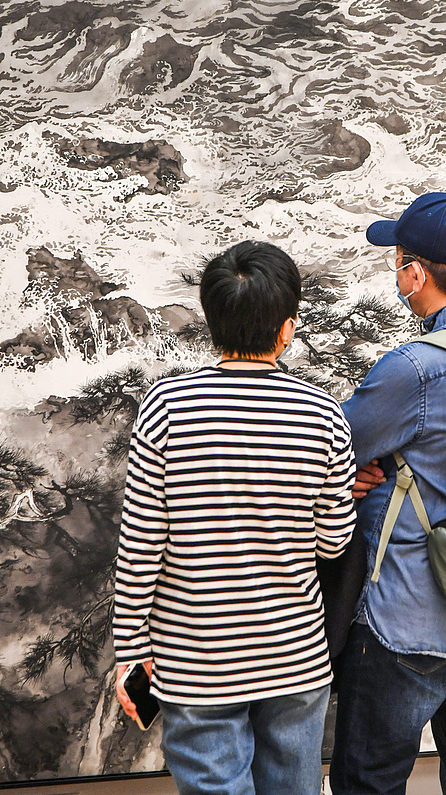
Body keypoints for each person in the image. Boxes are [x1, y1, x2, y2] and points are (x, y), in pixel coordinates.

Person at [113, 240, 356, 795]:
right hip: (295, 658)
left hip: (196, 664)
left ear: (211, 318)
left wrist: (131, 651)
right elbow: (335, 542)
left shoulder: (166, 409)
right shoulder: (323, 415)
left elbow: (141, 546)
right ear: (287, 327)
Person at [330, 192, 446, 795]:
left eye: (398, 263)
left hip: (408, 617)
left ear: (416, 274)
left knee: (370, 781)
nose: (397, 276)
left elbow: (326, 448)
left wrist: (346, 473)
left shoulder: (413, 368)